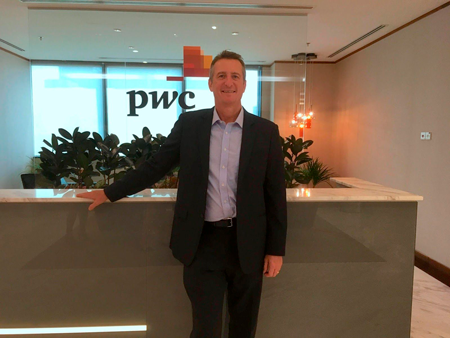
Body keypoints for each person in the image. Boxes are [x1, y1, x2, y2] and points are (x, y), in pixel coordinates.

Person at [77, 50, 287, 338]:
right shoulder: (190, 125)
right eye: (221, 76)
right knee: (205, 329)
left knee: (244, 328)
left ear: (244, 84)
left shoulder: (266, 132)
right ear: (210, 83)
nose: (228, 82)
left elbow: (275, 193)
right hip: (201, 243)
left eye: (235, 76)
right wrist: (110, 192)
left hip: (249, 244)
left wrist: (275, 249)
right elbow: (156, 166)